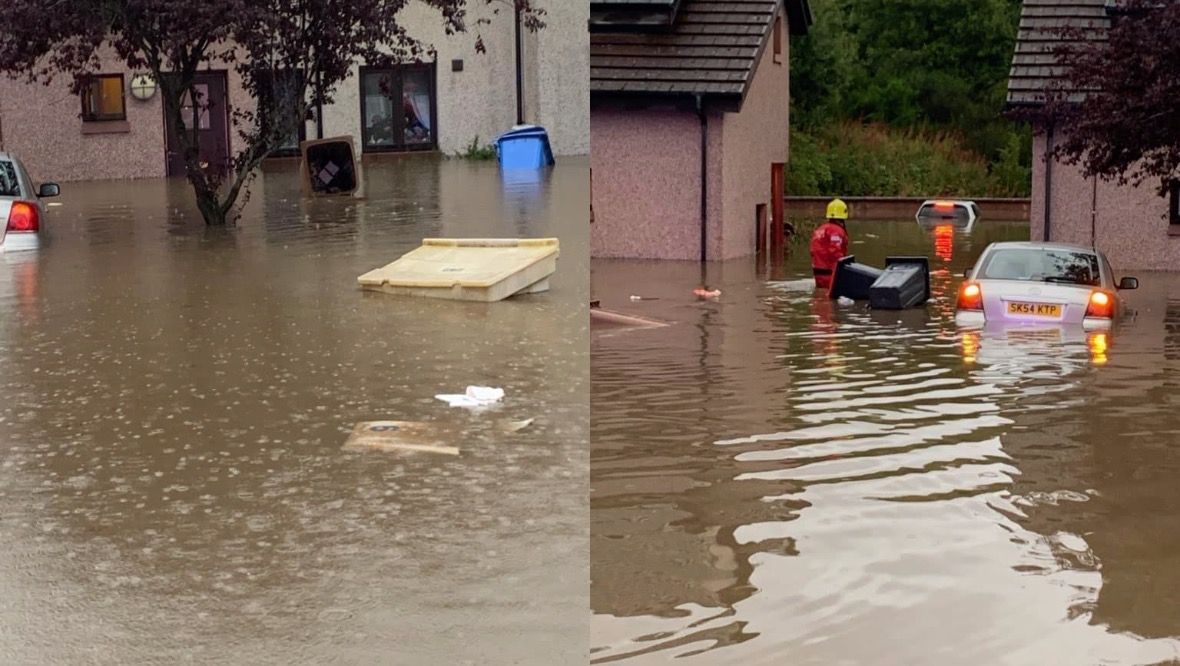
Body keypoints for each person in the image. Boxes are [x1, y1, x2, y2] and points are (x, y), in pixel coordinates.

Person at [810, 198, 851, 290]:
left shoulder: (821, 229)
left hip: (818, 271)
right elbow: (835, 251)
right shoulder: (836, 231)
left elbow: (813, 249)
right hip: (830, 272)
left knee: (820, 296)